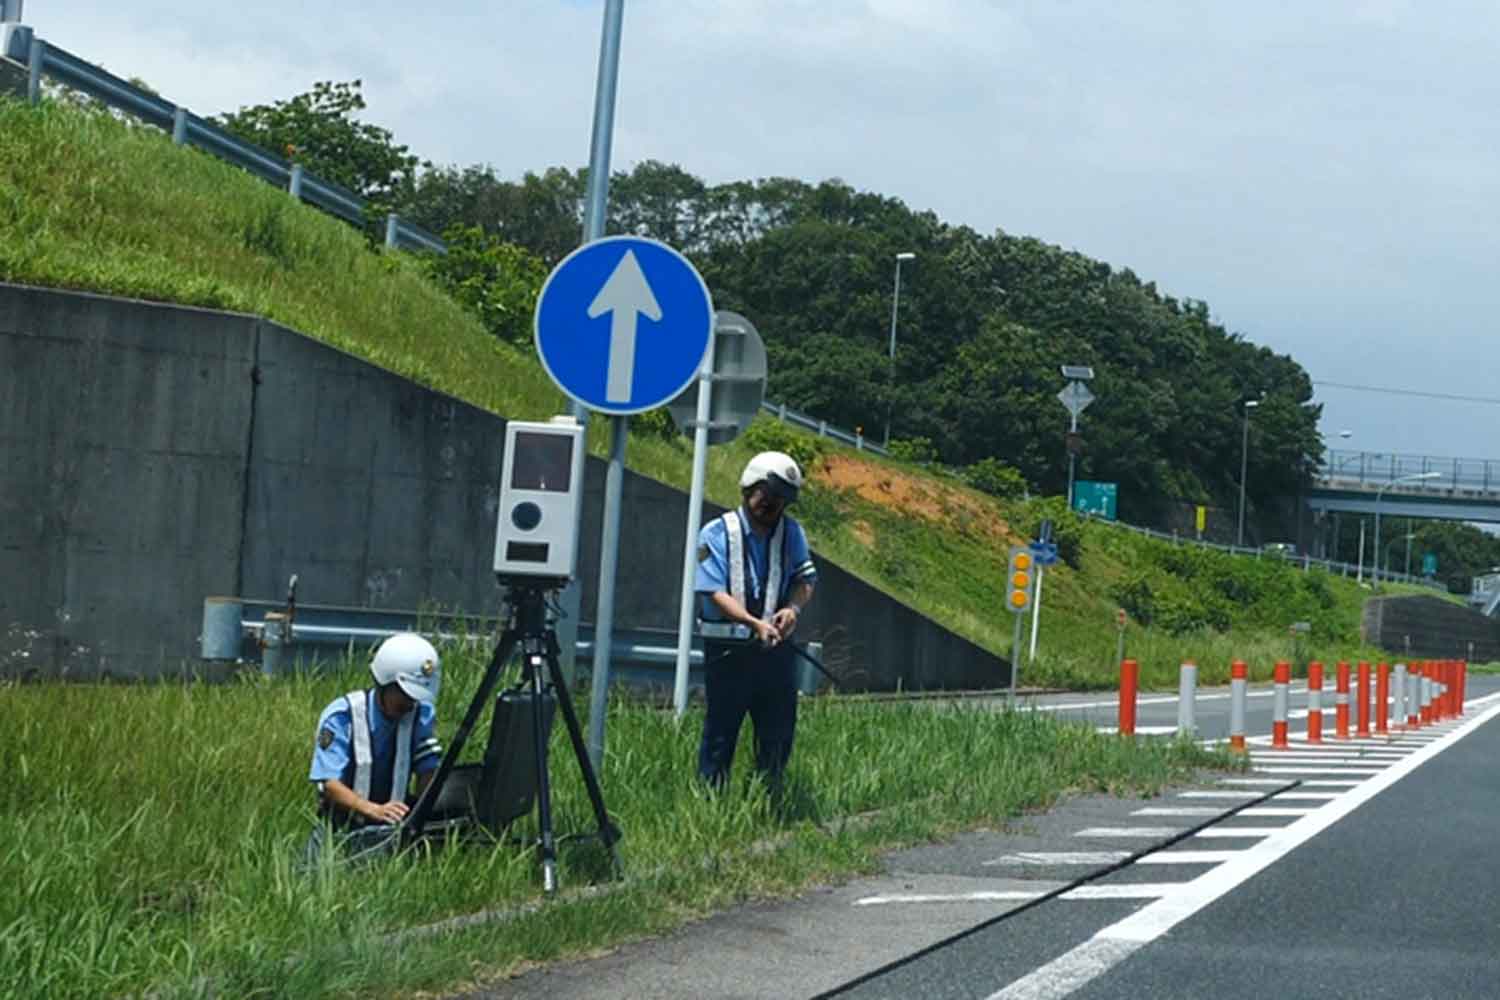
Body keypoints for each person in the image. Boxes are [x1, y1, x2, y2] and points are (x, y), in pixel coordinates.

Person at [694, 450, 818, 791]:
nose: (773, 505)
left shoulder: (792, 533)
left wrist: (792, 610)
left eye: (781, 499)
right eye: (767, 495)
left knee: (778, 732)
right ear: (749, 486)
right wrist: (754, 623)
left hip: (775, 650)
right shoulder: (716, 533)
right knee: (721, 733)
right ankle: (710, 802)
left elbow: (805, 579)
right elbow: (712, 592)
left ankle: (768, 797)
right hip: (728, 651)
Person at [303, 632, 444, 865]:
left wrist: (421, 817)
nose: (409, 705)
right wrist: (372, 809)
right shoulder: (343, 717)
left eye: (414, 699)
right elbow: (329, 784)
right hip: (341, 829)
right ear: (384, 683)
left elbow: (427, 770)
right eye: (404, 696)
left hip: (393, 830)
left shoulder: (421, 715)